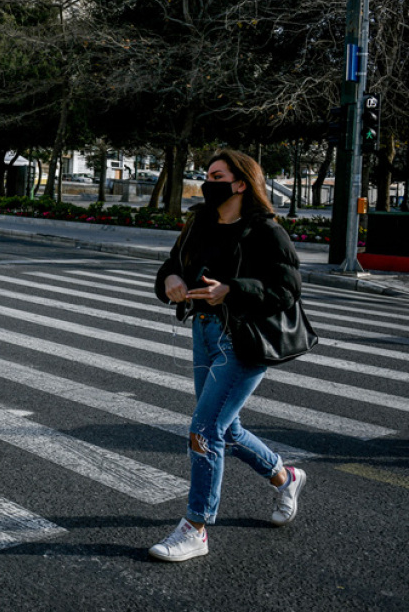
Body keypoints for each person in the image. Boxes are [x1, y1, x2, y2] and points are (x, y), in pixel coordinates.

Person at [150, 149, 308, 562]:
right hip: (204, 331)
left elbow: (288, 289)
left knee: (204, 429)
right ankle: (284, 476)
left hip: (242, 339)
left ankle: (196, 527)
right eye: (207, 175)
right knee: (227, 428)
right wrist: (170, 280)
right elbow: (173, 262)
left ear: (240, 183)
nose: (208, 182)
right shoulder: (200, 221)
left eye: (217, 175)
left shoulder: (265, 230)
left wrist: (232, 289)